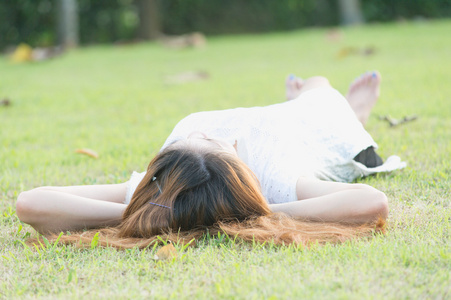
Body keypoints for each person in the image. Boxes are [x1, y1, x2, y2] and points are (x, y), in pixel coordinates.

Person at [16, 71, 405, 248]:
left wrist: (159, 214)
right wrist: (251, 211)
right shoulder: (276, 179)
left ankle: (346, 112)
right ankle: (358, 116)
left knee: (314, 82)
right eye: (210, 140)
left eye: (188, 140)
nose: (199, 133)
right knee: (320, 87)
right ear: (234, 155)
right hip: (301, 127)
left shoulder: (165, 190)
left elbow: (30, 204)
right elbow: (373, 203)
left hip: (272, 125)